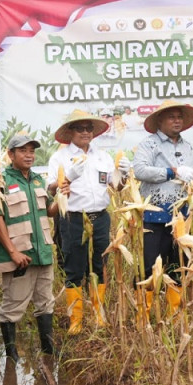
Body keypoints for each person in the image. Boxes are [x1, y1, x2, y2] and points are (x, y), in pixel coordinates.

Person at [46, 109, 131, 334]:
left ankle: (98, 314)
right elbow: (51, 188)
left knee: (99, 265)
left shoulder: (102, 156)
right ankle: (76, 319)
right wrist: (68, 176)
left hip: (100, 217)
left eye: (89, 128)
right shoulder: (59, 157)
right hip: (73, 218)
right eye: (80, 128)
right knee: (74, 267)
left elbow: (116, 187)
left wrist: (123, 175)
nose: (85, 132)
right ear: (70, 132)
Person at [0, 135, 58, 362]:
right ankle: (11, 357)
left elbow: (49, 211)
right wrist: (12, 252)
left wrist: (64, 195)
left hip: (42, 253)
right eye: (23, 151)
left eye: (31, 151)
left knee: (45, 302)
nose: (29, 155)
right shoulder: (1, 181)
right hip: (20, 256)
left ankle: (48, 351)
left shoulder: (38, 180)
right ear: (11, 154)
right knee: (13, 305)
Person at [133, 99, 193, 319]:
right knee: (150, 265)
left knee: (178, 264)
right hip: (154, 215)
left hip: (180, 215)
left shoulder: (188, 147)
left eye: (179, 117)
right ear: (160, 120)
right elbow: (140, 170)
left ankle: (175, 314)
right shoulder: (149, 145)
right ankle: (144, 315)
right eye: (171, 117)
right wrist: (173, 172)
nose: (177, 121)